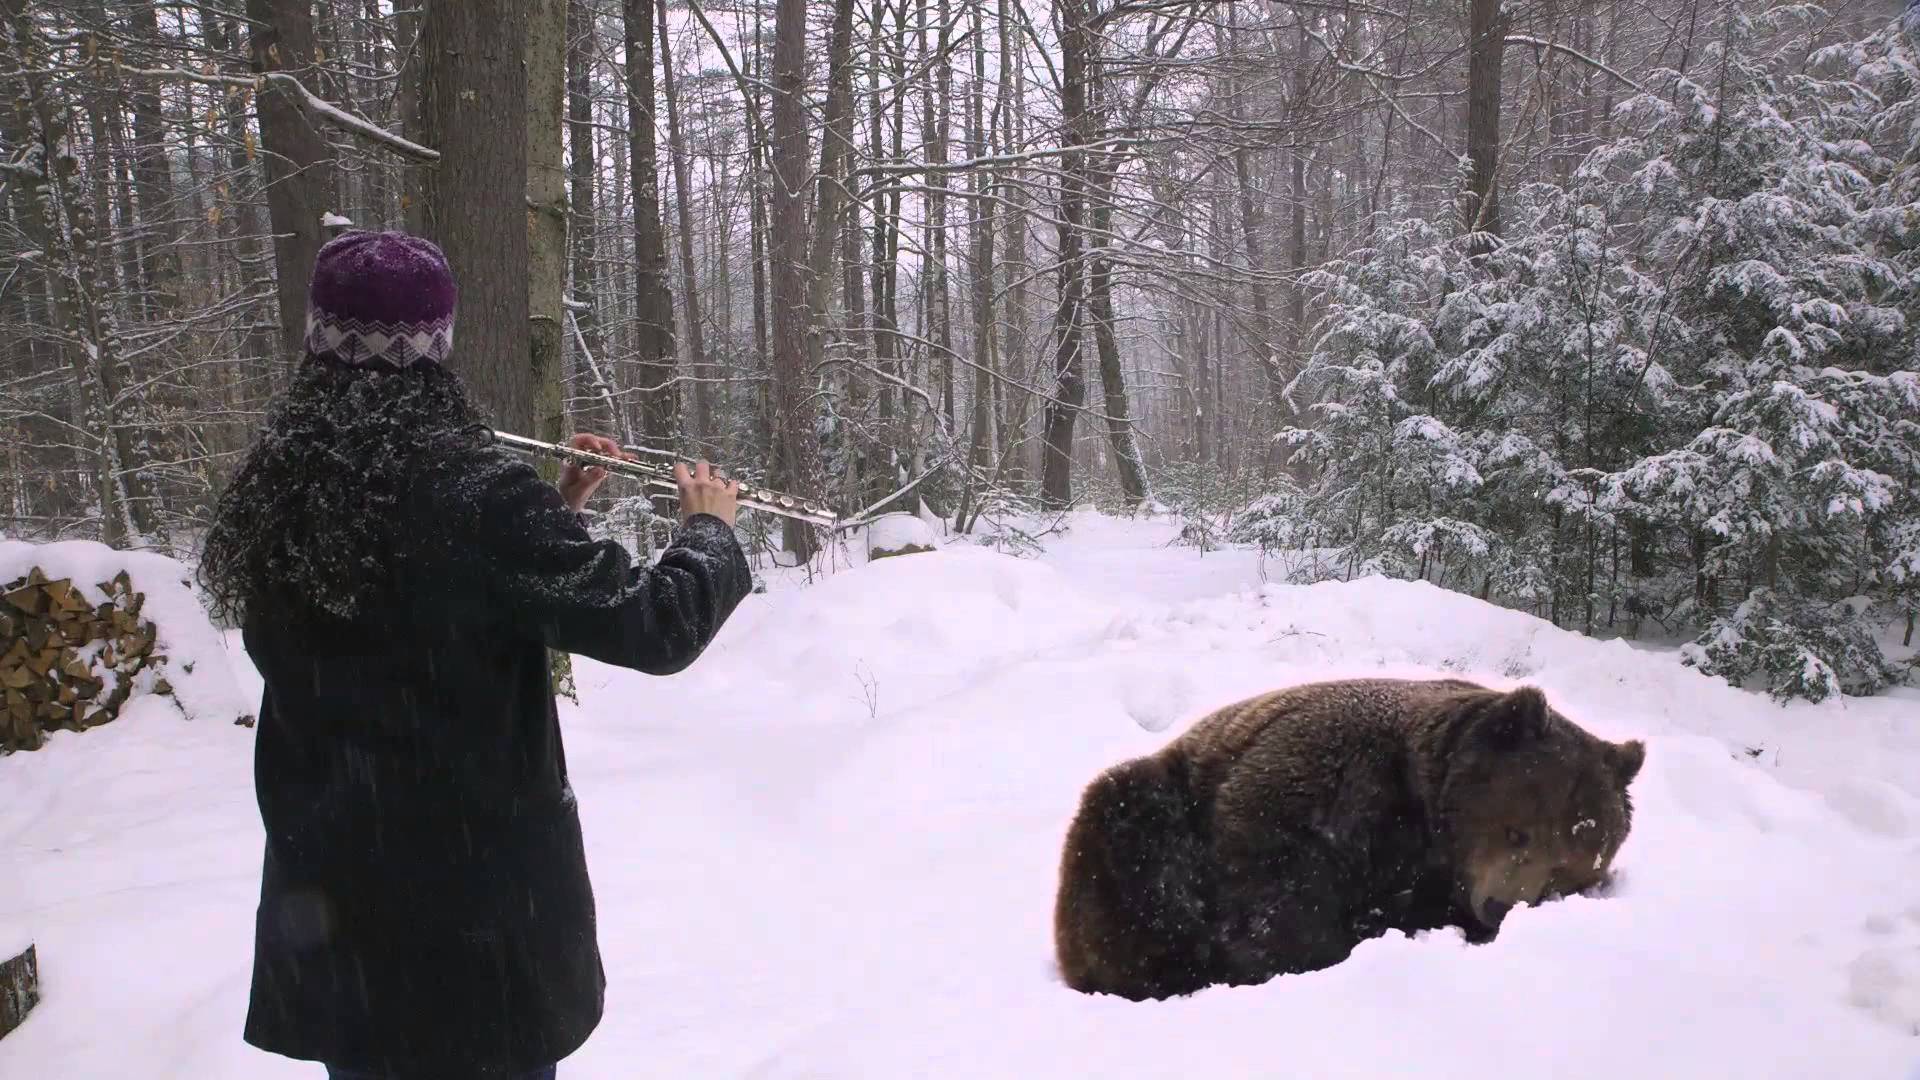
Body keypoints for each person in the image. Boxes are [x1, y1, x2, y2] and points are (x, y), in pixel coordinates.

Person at [198, 231, 752, 1079]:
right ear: (436, 349)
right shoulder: (474, 496)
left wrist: (555, 513)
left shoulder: (286, 485)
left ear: (319, 342)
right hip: (472, 927)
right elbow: (657, 624)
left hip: (344, 917)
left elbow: (410, 611)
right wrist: (708, 529)